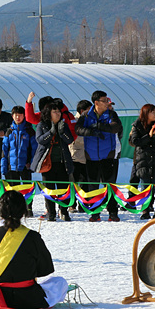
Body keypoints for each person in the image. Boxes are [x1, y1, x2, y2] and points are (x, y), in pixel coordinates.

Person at [76, 90, 122, 222]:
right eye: (104, 100)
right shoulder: (85, 116)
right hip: (91, 155)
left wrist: (100, 126)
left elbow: (116, 127)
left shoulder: (111, 114)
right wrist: (91, 132)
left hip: (108, 155)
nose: (108, 102)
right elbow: (78, 129)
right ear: (96, 103)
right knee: (93, 186)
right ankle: (95, 212)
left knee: (110, 185)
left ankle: (113, 212)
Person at [33, 102, 74, 222]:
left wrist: (62, 132)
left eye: (59, 111)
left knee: (63, 188)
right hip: (47, 163)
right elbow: (40, 140)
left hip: (62, 162)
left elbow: (70, 140)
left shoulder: (63, 124)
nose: (58, 113)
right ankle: (51, 213)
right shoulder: (42, 125)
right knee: (49, 189)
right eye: (55, 112)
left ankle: (64, 211)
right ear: (48, 114)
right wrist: (51, 132)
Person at [129, 104, 155, 220]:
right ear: (146, 114)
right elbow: (135, 141)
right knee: (145, 186)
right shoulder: (137, 125)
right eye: (153, 112)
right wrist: (148, 136)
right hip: (143, 160)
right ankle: (145, 210)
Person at [1, 105, 38, 217]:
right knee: (13, 190)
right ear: (12, 116)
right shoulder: (9, 131)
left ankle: (28, 208)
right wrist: (4, 166)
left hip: (25, 166)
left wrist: (31, 164)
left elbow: (34, 149)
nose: (17, 117)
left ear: (24, 116)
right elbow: (4, 150)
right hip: (11, 166)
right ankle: (13, 210)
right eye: (15, 114)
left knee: (27, 188)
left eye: (20, 114)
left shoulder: (29, 131)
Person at [68, 100, 90, 213]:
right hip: (76, 155)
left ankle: (84, 204)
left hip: (87, 156)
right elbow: (77, 138)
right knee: (74, 181)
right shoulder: (75, 121)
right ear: (82, 111)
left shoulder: (88, 121)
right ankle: (72, 204)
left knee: (85, 181)